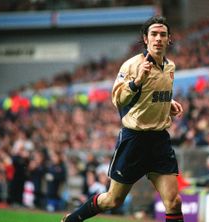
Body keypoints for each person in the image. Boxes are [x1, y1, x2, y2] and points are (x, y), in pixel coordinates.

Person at [61, 15, 184, 222]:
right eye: (153, 34)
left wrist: (168, 104)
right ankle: (72, 219)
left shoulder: (170, 66)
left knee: (174, 202)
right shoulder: (132, 65)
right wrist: (137, 81)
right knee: (113, 200)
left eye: (163, 34)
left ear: (169, 39)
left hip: (159, 141)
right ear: (145, 38)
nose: (158, 38)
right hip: (134, 140)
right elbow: (117, 99)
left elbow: (153, 94)